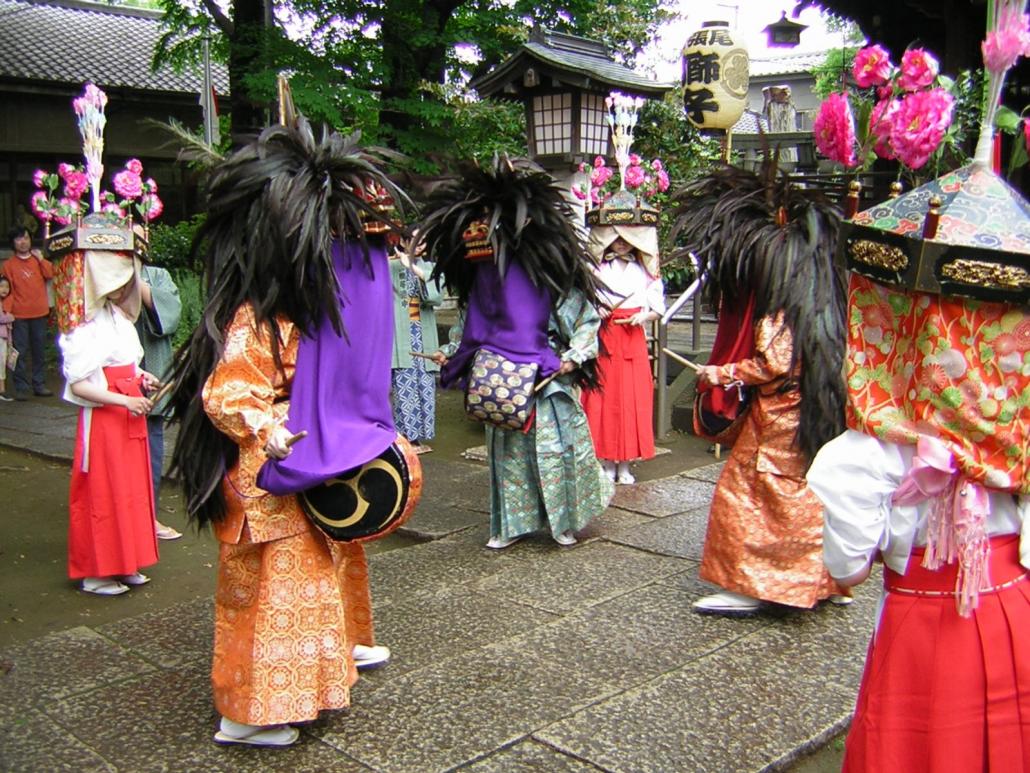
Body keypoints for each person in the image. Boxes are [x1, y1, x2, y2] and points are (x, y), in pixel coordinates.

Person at [167, 104, 406, 747]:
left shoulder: (314, 316)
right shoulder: (260, 314)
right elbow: (226, 391)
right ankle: (244, 715)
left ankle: (309, 684)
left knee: (309, 583)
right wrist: (266, 425)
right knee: (270, 598)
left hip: (304, 465)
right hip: (269, 471)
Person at [670, 160, 850, 616]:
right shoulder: (820, 308)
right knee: (808, 498)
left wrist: (722, 373)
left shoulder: (780, 315)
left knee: (744, 494)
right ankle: (824, 580)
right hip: (805, 416)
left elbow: (772, 365)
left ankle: (752, 584)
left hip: (776, 422)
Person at [422, 157, 612, 549]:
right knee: (508, 461)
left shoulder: (548, 277)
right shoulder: (482, 282)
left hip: (545, 380)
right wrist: (452, 353)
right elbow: (469, 327)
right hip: (498, 383)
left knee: (556, 452)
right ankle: (509, 525)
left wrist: (572, 357)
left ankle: (562, 522)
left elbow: (586, 318)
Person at [60, 259, 160, 596]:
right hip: (105, 418)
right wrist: (124, 401)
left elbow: (128, 364)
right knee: (103, 491)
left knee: (131, 490)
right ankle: (96, 573)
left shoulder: (118, 317)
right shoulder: (85, 324)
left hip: (130, 412)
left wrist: (142, 380)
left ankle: (126, 561)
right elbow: (79, 386)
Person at [581, 229, 665, 485]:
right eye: (614, 238)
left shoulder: (646, 270)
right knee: (602, 397)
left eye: (625, 239)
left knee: (631, 398)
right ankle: (605, 461)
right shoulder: (596, 268)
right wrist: (598, 311)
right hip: (605, 335)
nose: (619, 244)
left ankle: (626, 464)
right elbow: (585, 302)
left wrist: (644, 316)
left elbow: (658, 308)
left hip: (632, 335)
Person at [136, 264, 183, 540]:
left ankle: (148, 516)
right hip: (112, 381)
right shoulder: (101, 272)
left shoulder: (157, 275)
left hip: (151, 371)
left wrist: (136, 282)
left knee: (151, 454)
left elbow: (171, 316)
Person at [389, 234, 442, 452]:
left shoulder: (431, 267)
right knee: (403, 384)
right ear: (402, 242)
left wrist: (412, 267)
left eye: (422, 241)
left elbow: (436, 297)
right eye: (413, 240)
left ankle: (419, 436)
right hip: (400, 334)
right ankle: (405, 438)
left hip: (423, 332)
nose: (418, 245)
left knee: (425, 385)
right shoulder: (388, 265)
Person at [2, 226, 54, 400]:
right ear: (13, 243)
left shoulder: (37, 260)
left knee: (39, 350)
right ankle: (21, 386)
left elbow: (51, 273)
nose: (23, 242)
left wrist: (41, 259)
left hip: (39, 312)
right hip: (18, 315)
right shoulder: (8, 266)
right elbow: (6, 291)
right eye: (18, 239)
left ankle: (39, 384)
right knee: (20, 351)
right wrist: (6, 313)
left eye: (26, 238)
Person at [0, 276, 14, 401]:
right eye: (2, 286)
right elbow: (2, 318)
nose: (4, 289)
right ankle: (2, 389)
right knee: (1, 363)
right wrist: (11, 316)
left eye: (7, 287)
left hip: (3, 338)